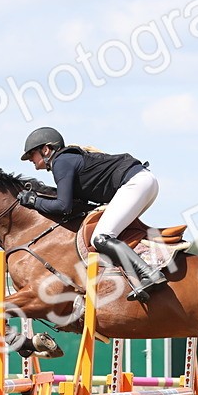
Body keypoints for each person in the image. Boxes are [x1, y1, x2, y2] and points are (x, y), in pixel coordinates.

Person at [17, 126, 166, 301]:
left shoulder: (61, 162)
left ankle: (149, 273)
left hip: (135, 183)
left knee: (101, 237)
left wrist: (34, 202)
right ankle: (136, 281)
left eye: (32, 155)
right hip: (143, 183)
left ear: (46, 149)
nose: (30, 160)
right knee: (113, 234)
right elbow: (75, 205)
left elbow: (63, 206)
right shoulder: (66, 161)